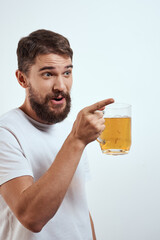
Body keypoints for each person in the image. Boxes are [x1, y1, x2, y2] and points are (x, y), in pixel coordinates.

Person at [0, 29, 114, 240]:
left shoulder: (70, 129)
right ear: (22, 79)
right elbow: (31, 218)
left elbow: (77, 207)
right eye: (48, 74)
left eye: (67, 72)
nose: (61, 86)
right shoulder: (6, 133)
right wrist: (77, 140)